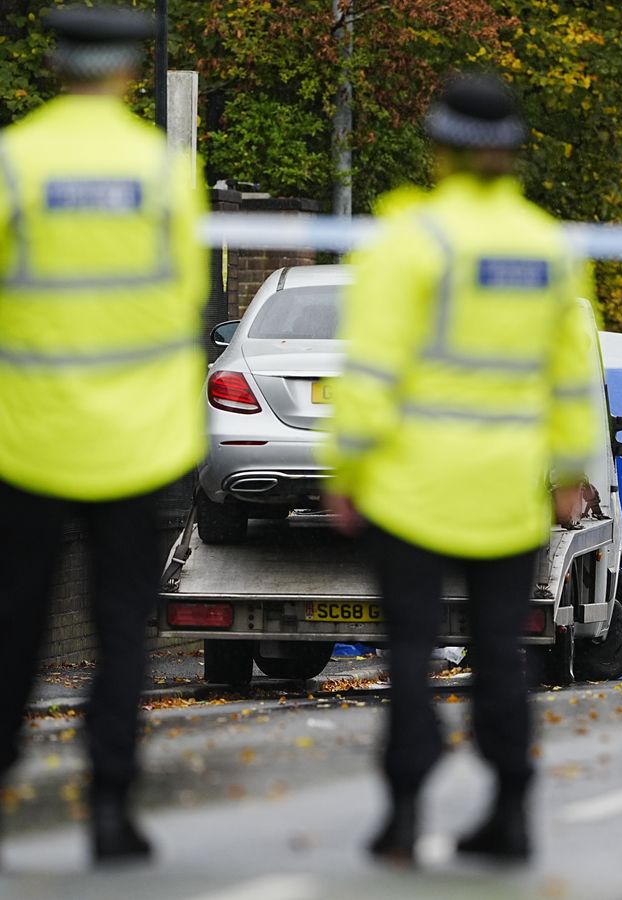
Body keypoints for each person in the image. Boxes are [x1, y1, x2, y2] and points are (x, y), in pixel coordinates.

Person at [323, 72, 599, 865]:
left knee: (410, 652)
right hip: (508, 493)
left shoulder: (409, 241)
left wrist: (349, 468)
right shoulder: (548, 248)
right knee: (501, 653)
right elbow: (570, 378)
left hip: (413, 489)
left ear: (438, 146)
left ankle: (404, 816)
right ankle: (510, 814)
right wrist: (567, 474)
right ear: (511, 152)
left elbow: (370, 371)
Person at [0, 5, 208, 863]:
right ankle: (113, 810)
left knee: (15, 623)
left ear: (55, 65)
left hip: (29, 437)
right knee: (123, 629)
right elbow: (191, 295)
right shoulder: (164, 176)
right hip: (138, 442)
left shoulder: (14, 163)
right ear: (130, 69)